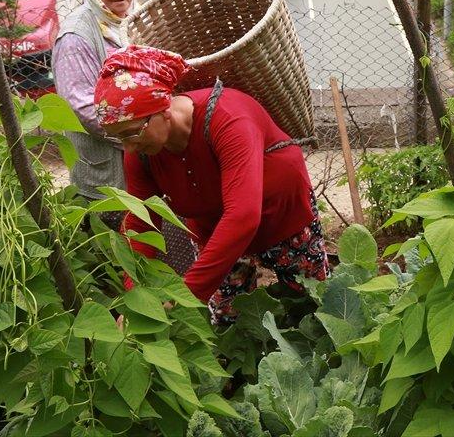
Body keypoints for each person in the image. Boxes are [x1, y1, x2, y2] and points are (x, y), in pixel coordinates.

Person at [93, 45, 328, 324]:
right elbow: (141, 223)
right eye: (119, 138)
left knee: (313, 306)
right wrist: (136, 300)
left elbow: (242, 216)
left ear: (163, 108)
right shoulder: (140, 153)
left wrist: (184, 296)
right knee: (227, 321)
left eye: (132, 133)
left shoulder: (228, 117)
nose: (128, 146)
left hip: (279, 215)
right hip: (215, 231)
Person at [52, 0, 136, 214]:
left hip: (140, 157)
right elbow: (82, 107)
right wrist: (138, 134)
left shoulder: (126, 25)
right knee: (116, 243)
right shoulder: (75, 37)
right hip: (106, 171)